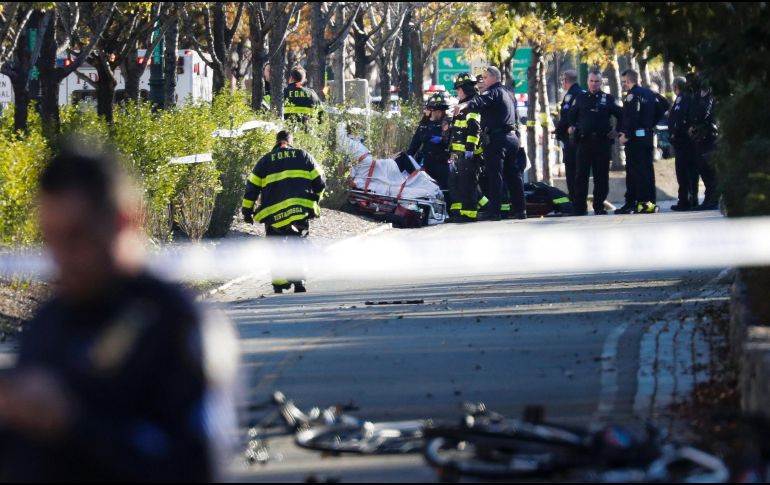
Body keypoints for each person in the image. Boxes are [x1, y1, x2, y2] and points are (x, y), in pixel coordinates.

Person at [0, 143, 239, 482]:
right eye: (50, 239)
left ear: (125, 220)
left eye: (77, 237)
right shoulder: (50, 323)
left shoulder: (177, 323)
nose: (62, 258)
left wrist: (74, 423)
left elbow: (196, 467)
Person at [242, 130, 326, 294]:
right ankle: (299, 281)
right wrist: (315, 200)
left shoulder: (265, 161)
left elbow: (251, 187)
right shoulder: (302, 155)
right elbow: (320, 181)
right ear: (290, 141)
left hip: (274, 214)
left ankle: (279, 284)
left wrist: (247, 211)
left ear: (276, 142)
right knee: (298, 243)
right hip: (299, 210)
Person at [453, 66, 525, 221]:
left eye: (485, 78)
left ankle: (495, 212)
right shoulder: (509, 92)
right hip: (512, 138)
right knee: (514, 175)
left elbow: (480, 100)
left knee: (495, 176)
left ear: (494, 78)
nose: (483, 81)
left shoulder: (493, 92)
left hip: (497, 139)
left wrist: (464, 105)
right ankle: (520, 210)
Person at [567, 70, 623, 215]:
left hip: (602, 142)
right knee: (581, 175)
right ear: (587, 82)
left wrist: (617, 130)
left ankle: (599, 206)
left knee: (601, 175)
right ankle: (580, 206)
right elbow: (570, 116)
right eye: (591, 81)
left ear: (601, 82)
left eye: (597, 81)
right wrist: (571, 127)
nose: (594, 84)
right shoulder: (580, 98)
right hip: (584, 142)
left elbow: (621, 115)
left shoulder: (608, 99)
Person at [617, 69, 659, 214]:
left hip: (635, 139)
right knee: (647, 171)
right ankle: (649, 203)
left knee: (636, 173)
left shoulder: (632, 95)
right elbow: (663, 105)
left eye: (623, 82)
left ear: (628, 81)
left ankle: (638, 204)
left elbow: (632, 117)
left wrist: (626, 135)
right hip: (647, 137)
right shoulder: (649, 93)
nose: (623, 85)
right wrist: (650, 123)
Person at [447, 72, 483, 223]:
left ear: (466, 89)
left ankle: (469, 214)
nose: (457, 92)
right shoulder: (461, 106)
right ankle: (459, 213)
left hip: (470, 154)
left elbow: (474, 129)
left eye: (459, 89)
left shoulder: (472, 105)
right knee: (458, 184)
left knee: (468, 185)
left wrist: (470, 149)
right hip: (458, 154)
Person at [406, 91, 452, 194]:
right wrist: (408, 156)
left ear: (438, 110)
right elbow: (416, 141)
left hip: (442, 163)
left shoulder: (447, 122)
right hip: (427, 162)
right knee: (427, 189)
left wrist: (428, 135)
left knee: (445, 189)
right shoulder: (425, 123)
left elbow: (441, 139)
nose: (429, 112)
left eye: (431, 110)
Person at [668, 76, 698, 211]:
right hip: (682, 141)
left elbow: (680, 119)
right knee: (688, 171)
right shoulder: (685, 98)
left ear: (675, 87)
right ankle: (691, 198)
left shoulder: (684, 99)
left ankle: (686, 200)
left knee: (684, 172)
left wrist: (675, 132)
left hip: (684, 141)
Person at [555, 70, 585, 205]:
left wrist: (557, 130)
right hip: (579, 138)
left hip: (571, 139)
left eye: (563, 80)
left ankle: (575, 199)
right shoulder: (582, 93)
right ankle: (579, 200)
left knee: (572, 171)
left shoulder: (572, 95)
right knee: (579, 170)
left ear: (566, 80)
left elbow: (567, 116)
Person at [689, 81, 719, 210]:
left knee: (710, 169)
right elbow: (693, 113)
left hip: (711, 136)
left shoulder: (714, 97)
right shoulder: (696, 96)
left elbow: (713, 116)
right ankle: (708, 197)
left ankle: (713, 198)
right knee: (703, 168)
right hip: (699, 136)